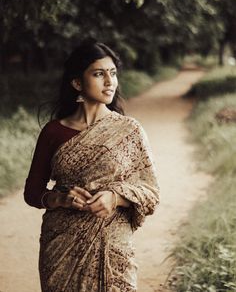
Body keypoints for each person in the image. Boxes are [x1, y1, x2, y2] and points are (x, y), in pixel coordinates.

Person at [24, 38, 160, 292]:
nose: (110, 82)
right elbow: (32, 192)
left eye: (113, 74)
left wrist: (116, 197)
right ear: (77, 82)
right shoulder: (54, 132)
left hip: (114, 246)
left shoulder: (129, 131)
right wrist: (59, 199)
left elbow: (151, 193)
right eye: (99, 74)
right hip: (61, 247)